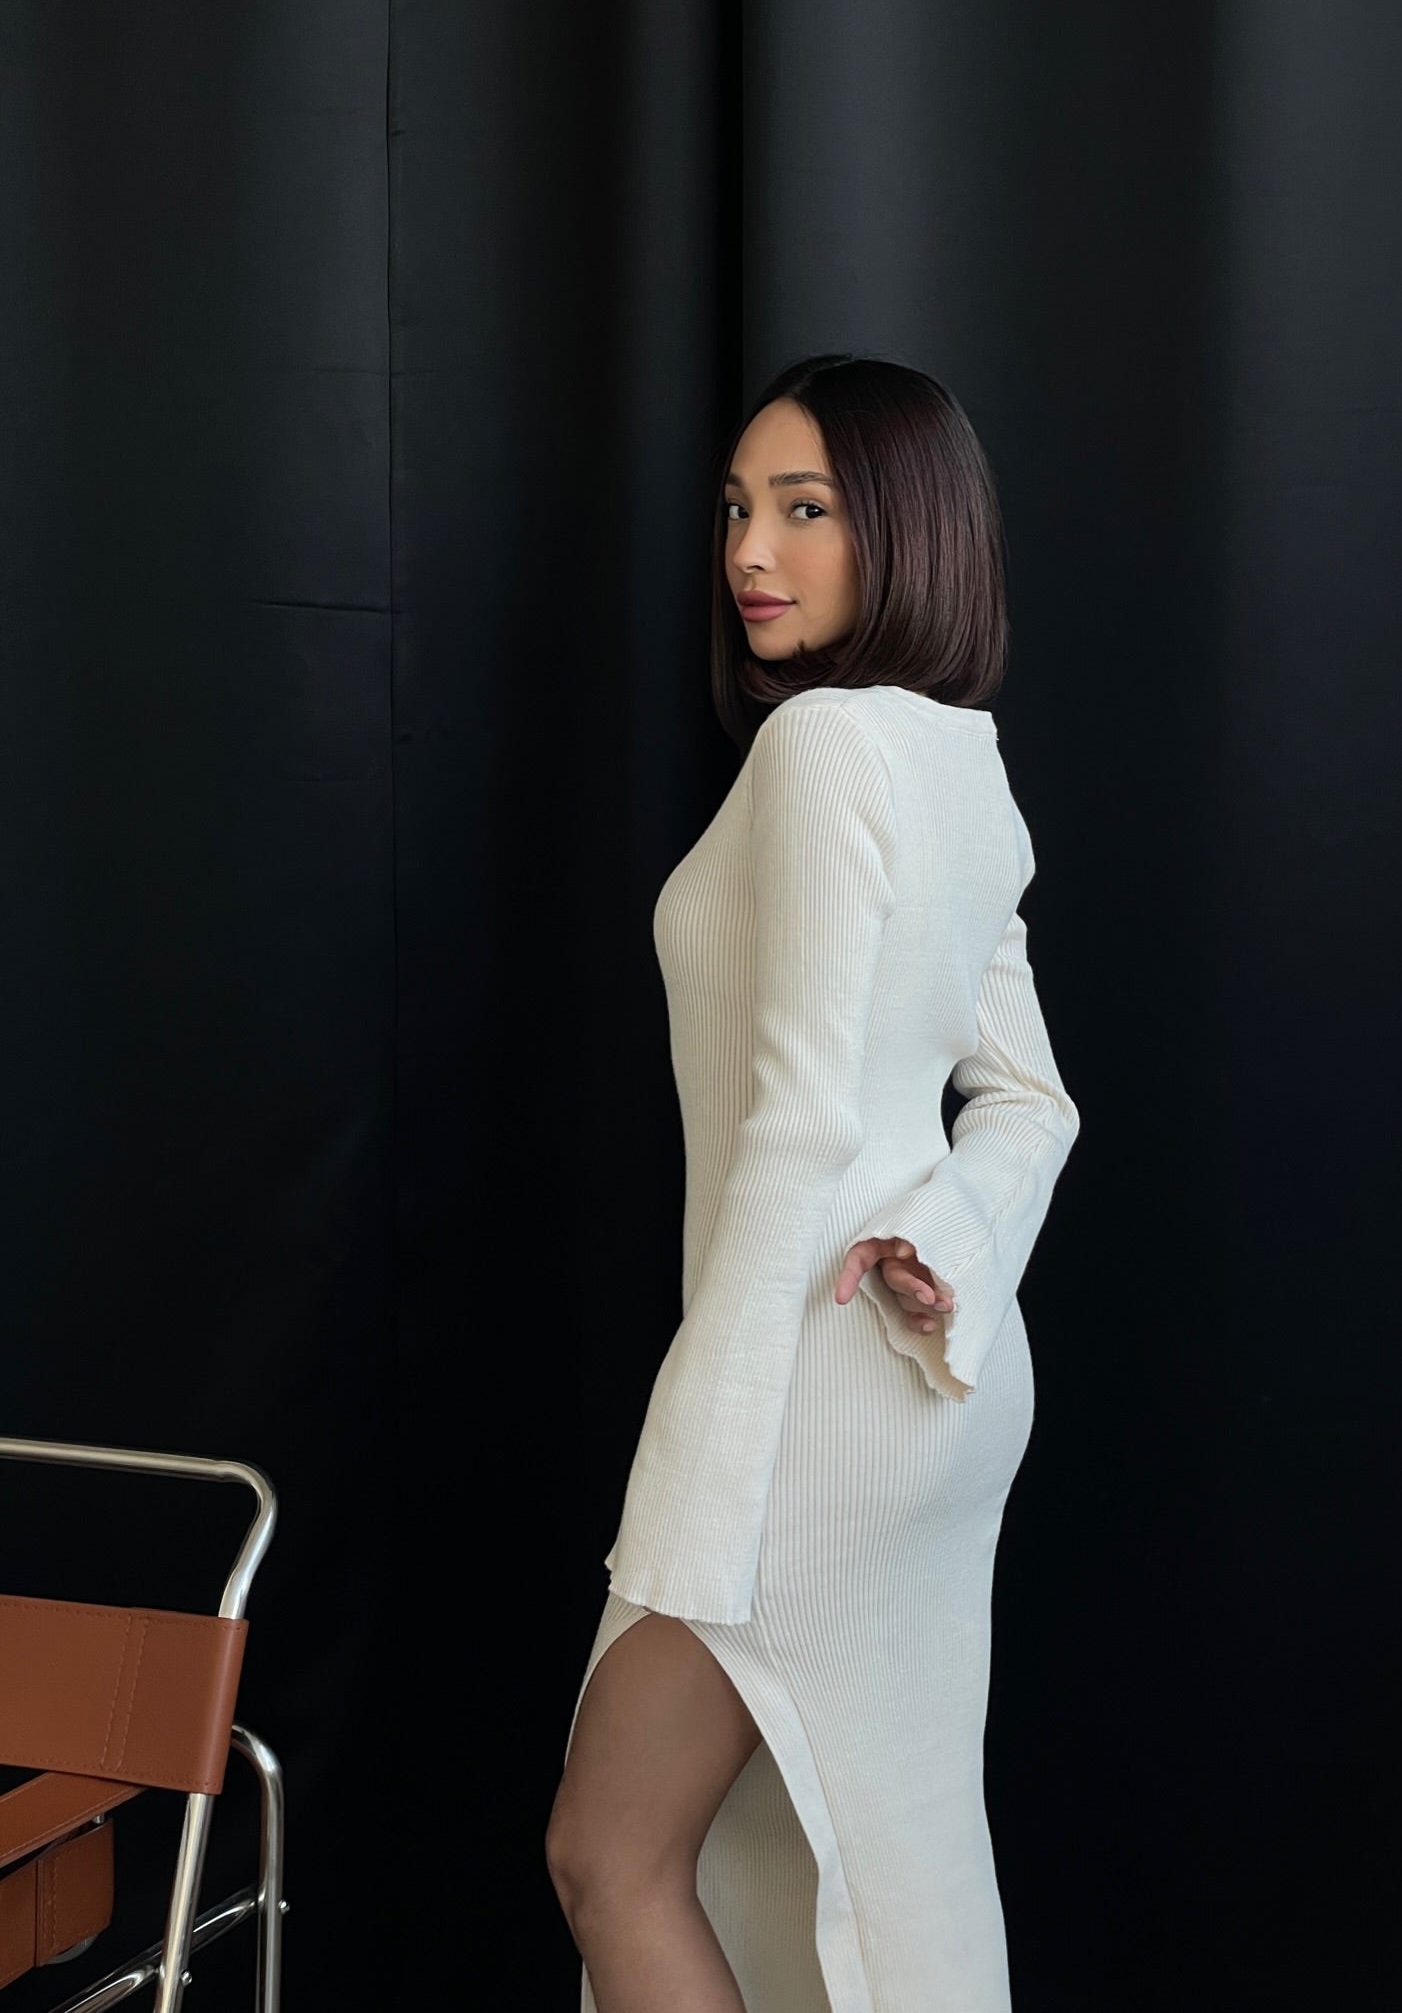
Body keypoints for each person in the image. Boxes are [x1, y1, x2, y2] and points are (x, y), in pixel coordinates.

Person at [545, 353, 1082, 2013]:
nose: (748, 550)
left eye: (804, 507)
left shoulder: (824, 749)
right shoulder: (957, 763)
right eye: (735, 507)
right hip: (925, 1383)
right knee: (879, 1846)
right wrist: (943, 1238)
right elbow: (1033, 1103)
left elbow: (793, 1131)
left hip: (801, 1394)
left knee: (610, 1853)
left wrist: (689, 1481)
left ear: (904, 529)